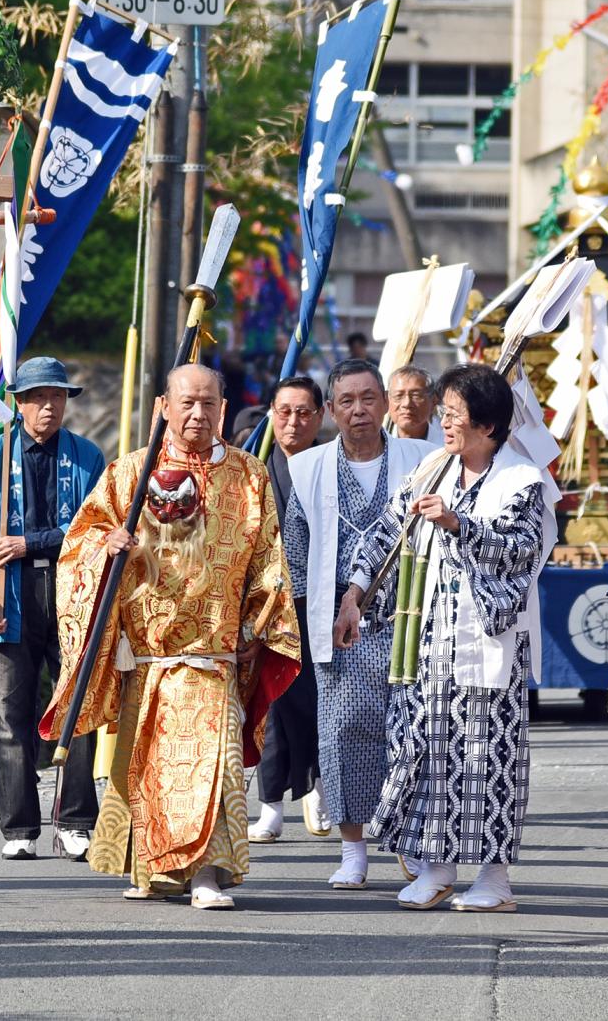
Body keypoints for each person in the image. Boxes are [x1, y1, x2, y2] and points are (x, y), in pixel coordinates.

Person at [42, 364, 302, 909]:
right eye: (186, 403)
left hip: (215, 655)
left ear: (224, 409)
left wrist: (261, 621)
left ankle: (206, 872)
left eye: (209, 403)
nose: (197, 414)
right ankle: (155, 868)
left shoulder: (249, 476)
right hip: (151, 658)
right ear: (164, 405)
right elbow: (79, 545)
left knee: (219, 763)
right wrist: (105, 547)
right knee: (150, 768)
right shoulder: (130, 474)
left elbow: (268, 562)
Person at [342, 363, 557, 912]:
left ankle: (494, 877)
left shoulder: (522, 481)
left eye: (455, 415)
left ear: (487, 425)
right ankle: (435, 868)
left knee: (488, 760)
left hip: (489, 647)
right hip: (428, 645)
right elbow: (387, 532)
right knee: (428, 752)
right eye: (445, 414)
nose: (445, 424)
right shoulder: (435, 469)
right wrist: (355, 590)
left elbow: (520, 550)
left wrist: (459, 524)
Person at [284, 358, 435, 888]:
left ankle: (414, 842)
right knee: (344, 731)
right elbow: (297, 554)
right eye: (346, 401)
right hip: (339, 625)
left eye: (369, 398)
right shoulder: (308, 468)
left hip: (413, 619)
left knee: (415, 734)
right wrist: (307, 621)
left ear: (385, 403)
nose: (359, 410)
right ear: (331, 410)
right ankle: (353, 848)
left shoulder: (424, 459)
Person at [0, 356, 105, 862]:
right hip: (13, 597)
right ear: (18, 403)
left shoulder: (88, 458)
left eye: (57, 396)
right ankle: (19, 827)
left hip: (72, 596)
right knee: (9, 715)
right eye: (38, 397)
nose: (48, 406)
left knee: (76, 709)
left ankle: (77, 820)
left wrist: (29, 542)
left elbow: (96, 530)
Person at [253, 375, 330, 842]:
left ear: (320, 416)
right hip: (266, 604)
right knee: (271, 704)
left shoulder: (332, 466)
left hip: (321, 601)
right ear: (271, 414)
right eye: (284, 411)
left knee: (320, 700)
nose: (293, 421)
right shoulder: (253, 470)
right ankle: (271, 803)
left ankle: (320, 785)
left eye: (304, 412)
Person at [387, 364, 445, 445]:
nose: (407, 404)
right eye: (398, 396)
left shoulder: (449, 448)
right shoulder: (375, 446)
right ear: (387, 400)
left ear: (433, 401)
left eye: (416, 396)